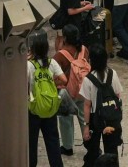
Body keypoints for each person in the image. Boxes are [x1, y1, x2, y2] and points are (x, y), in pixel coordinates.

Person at [80, 44, 123, 167]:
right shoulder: (112, 74)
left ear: (91, 60)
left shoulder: (88, 79)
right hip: (110, 116)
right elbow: (118, 96)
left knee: (93, 151)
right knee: (111, 151)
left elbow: (87, 105)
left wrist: (86, 126)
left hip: (95, 118)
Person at [27, 31, 65, 167]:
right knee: (53, 140)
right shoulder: (52, 62)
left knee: (31, 142)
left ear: (32, 49)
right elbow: (64, 79)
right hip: (50, 106)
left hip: (33, 108)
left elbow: (23, 86)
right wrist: (52, 85)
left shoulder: (29, 65)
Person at [53, 24, 89, 157]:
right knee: (84, 117)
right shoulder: (84, 50)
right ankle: (90, 144)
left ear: (65, 37)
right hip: (84, 89)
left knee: (65, 118)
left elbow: (55, 76)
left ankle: (67, 147)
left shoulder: (59, 56)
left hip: (68, 93)